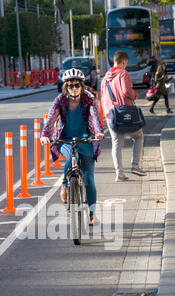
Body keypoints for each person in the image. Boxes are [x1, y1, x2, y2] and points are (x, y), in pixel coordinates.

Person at [40, 68, 104, 225]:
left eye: (76, 85)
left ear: (82, 85)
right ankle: (65, 184)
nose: (73, 88)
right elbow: (51, 118)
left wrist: (98, 132)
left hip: (86, 139)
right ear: (65, 87)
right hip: (65, 139)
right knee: (70, 156)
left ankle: (91, 214)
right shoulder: (60, 100)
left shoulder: (89, 99)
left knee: (89, 179)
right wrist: (45, 135)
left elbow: (95, 117)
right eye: (70, 85)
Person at [100, 50, 146, 181]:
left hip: (111, 115)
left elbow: (103, 98)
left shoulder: (105, 78)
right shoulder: (123, 74)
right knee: (138, 136)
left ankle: (119, 173)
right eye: (126, 63)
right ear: (124, 62)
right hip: (125, 112)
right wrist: (135, 95)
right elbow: (127, 91)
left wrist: (106, 115)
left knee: (116, 143)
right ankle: (135, 166)